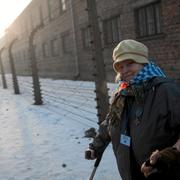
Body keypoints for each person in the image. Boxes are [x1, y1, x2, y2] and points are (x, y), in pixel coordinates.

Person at [85, 39, 180, 180]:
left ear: (143, 63)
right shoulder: (122, 92)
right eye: (120, 67)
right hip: (129, 173)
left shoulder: (165, 90)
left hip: (161, 173)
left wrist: (169, 155)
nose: (125, 70)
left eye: (130, 63)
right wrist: (96, 146)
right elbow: (111, 121)